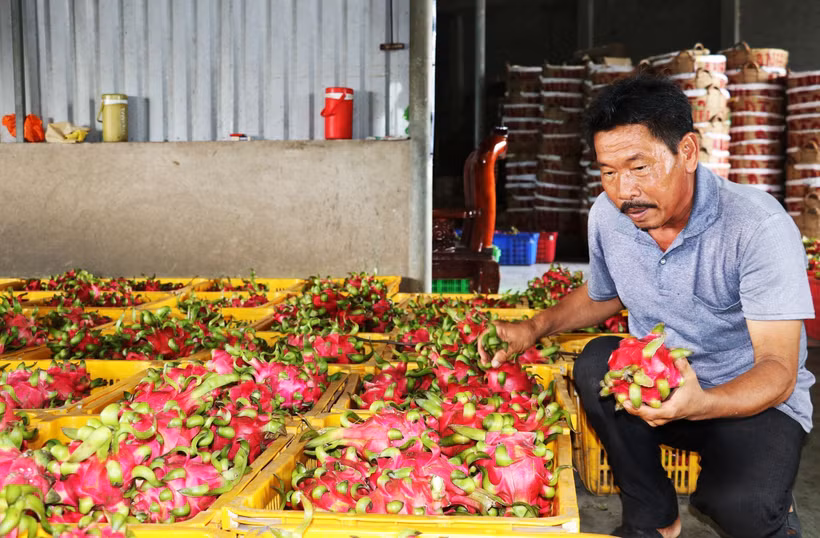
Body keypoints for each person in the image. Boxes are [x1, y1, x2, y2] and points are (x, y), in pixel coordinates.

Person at [479, 75, 813, 538]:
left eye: (639, 167)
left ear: (689, 152)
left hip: (750, 402)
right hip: (657, 390)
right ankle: (654, 519)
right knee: (596, 363)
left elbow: (779, 369)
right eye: (608, 171)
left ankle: (769, 503)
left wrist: (703, 402)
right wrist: (533, 327)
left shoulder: (757, 227)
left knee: (740, 506)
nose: (623, 191)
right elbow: (604, 294)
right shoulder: (609, 216)